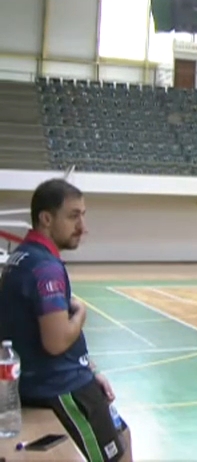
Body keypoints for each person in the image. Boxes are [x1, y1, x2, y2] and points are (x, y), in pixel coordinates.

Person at [0, 179, 132, 462]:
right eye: (73, 216)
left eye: (83, 216)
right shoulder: (45, 268)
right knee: (116, 455)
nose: (83, 227)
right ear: (46, 219)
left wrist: (90, 367)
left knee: (123, 433)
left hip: (60, 376)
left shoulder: (19, 257)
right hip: (60, 387)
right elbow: (57, 341)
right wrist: (81, 312)